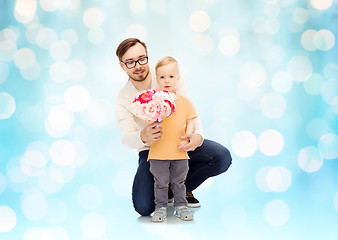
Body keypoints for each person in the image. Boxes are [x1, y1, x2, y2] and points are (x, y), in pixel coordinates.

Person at [115, 38, 232, 217]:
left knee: (221, 157)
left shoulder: (167, 75)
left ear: (147, 56)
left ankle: (177, 189)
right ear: (122, 66)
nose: (138, 65)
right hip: (151, 151)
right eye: (130, 62)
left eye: (142, 59)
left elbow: (190, 111)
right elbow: (126, 137)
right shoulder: (123, 97)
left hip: (179, 143)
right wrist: (143, 135)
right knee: (144, 207)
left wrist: (198, 136)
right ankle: (166, 187)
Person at [148, 56, 196, 222]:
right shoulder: (153, 102)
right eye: (162, 77)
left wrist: (188, 135)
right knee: (160, 182)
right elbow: (149, 121)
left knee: (179, 182)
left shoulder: (185, 102)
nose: (166, 80)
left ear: (178, 78)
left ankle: (181, 206)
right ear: (157, 79)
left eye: (171, 76)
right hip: (159, 151)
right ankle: (160, 207)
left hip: (179, 150)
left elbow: (191, 120)